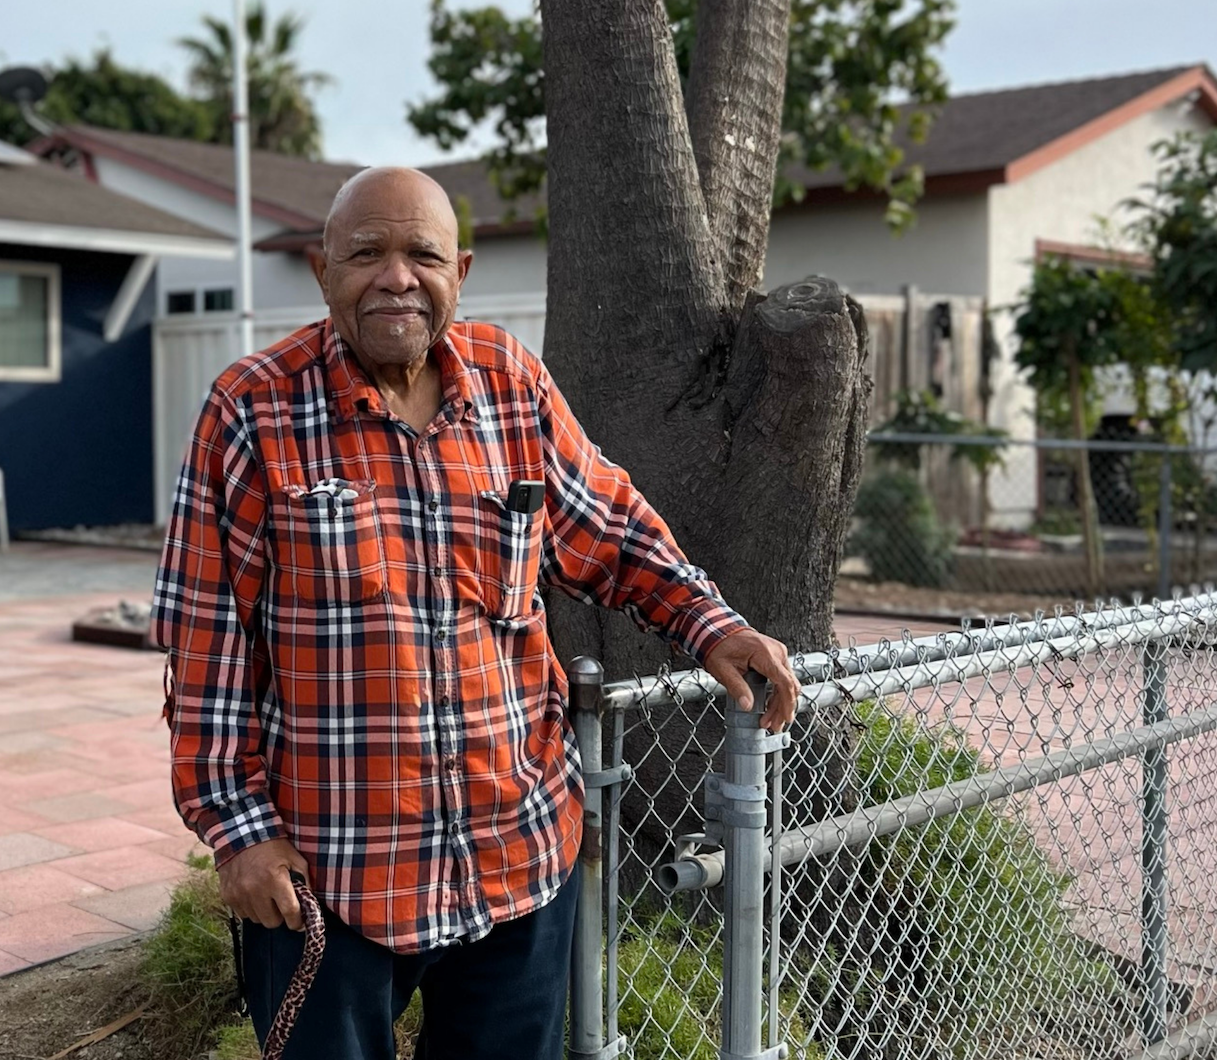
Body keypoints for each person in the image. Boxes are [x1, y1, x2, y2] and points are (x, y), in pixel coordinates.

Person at [151, 166, 801, 1058]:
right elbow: (205, 638)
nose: (396, 276)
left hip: (516, 854)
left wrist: (710, 621)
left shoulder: (510, 384)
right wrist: (238, 831)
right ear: (321, 269)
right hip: (329, 875)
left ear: (459, 267)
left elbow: (607, 528)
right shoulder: (252, 409)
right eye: (367, 253)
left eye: (421, 253)